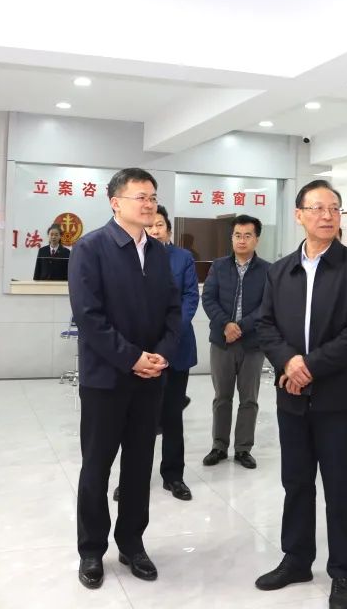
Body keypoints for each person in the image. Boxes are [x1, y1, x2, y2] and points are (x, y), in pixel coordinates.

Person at [255, 180, 347, 609]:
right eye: (318, 208)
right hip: (291, 396)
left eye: (334, 208)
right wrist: (288, 362)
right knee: (296, 482)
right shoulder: (280, 270)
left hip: (339, 399)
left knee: (339, 487)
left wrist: (306, 367)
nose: (327, 215)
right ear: (299, 215)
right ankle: (296, 559)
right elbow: (265, 324)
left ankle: (342, 571)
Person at [69, 168, 180, 590]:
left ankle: (132, 543)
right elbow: (89, 317)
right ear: (115, 203)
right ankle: (91, 549)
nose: (149, 204)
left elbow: (173, 311)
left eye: (153, 197)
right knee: (97, 467)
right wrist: (131, 358)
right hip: (106, 379)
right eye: (140, 197)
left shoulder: (159, 252)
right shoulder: (91, 247)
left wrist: (162, 354)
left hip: (150, 378)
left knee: (138, 466)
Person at [201, 214, 270, 469]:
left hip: (253, 344)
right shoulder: (219, 266)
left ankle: (243, 449)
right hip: (222, 342)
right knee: (222, 397)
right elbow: (208, 299)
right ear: (231, 238)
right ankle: (219, 446)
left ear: (256, 239)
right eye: (237, 235)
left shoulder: (268, 270)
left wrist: (241, 327)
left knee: (249, 398)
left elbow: (267, 305)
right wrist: (226, 325)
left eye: (247, 235)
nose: (242, 240)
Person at [147, 205, 199, 500]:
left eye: (160, 225)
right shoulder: (134, 255)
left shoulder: (183, 258)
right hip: (143, 352)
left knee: (172, 415)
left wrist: (171, 334)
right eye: (150, 226)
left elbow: (190, 296)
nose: (155, 230)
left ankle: (173, 476)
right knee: (140, 417)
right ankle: (133, 476)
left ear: (168, 228)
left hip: (177, 348)